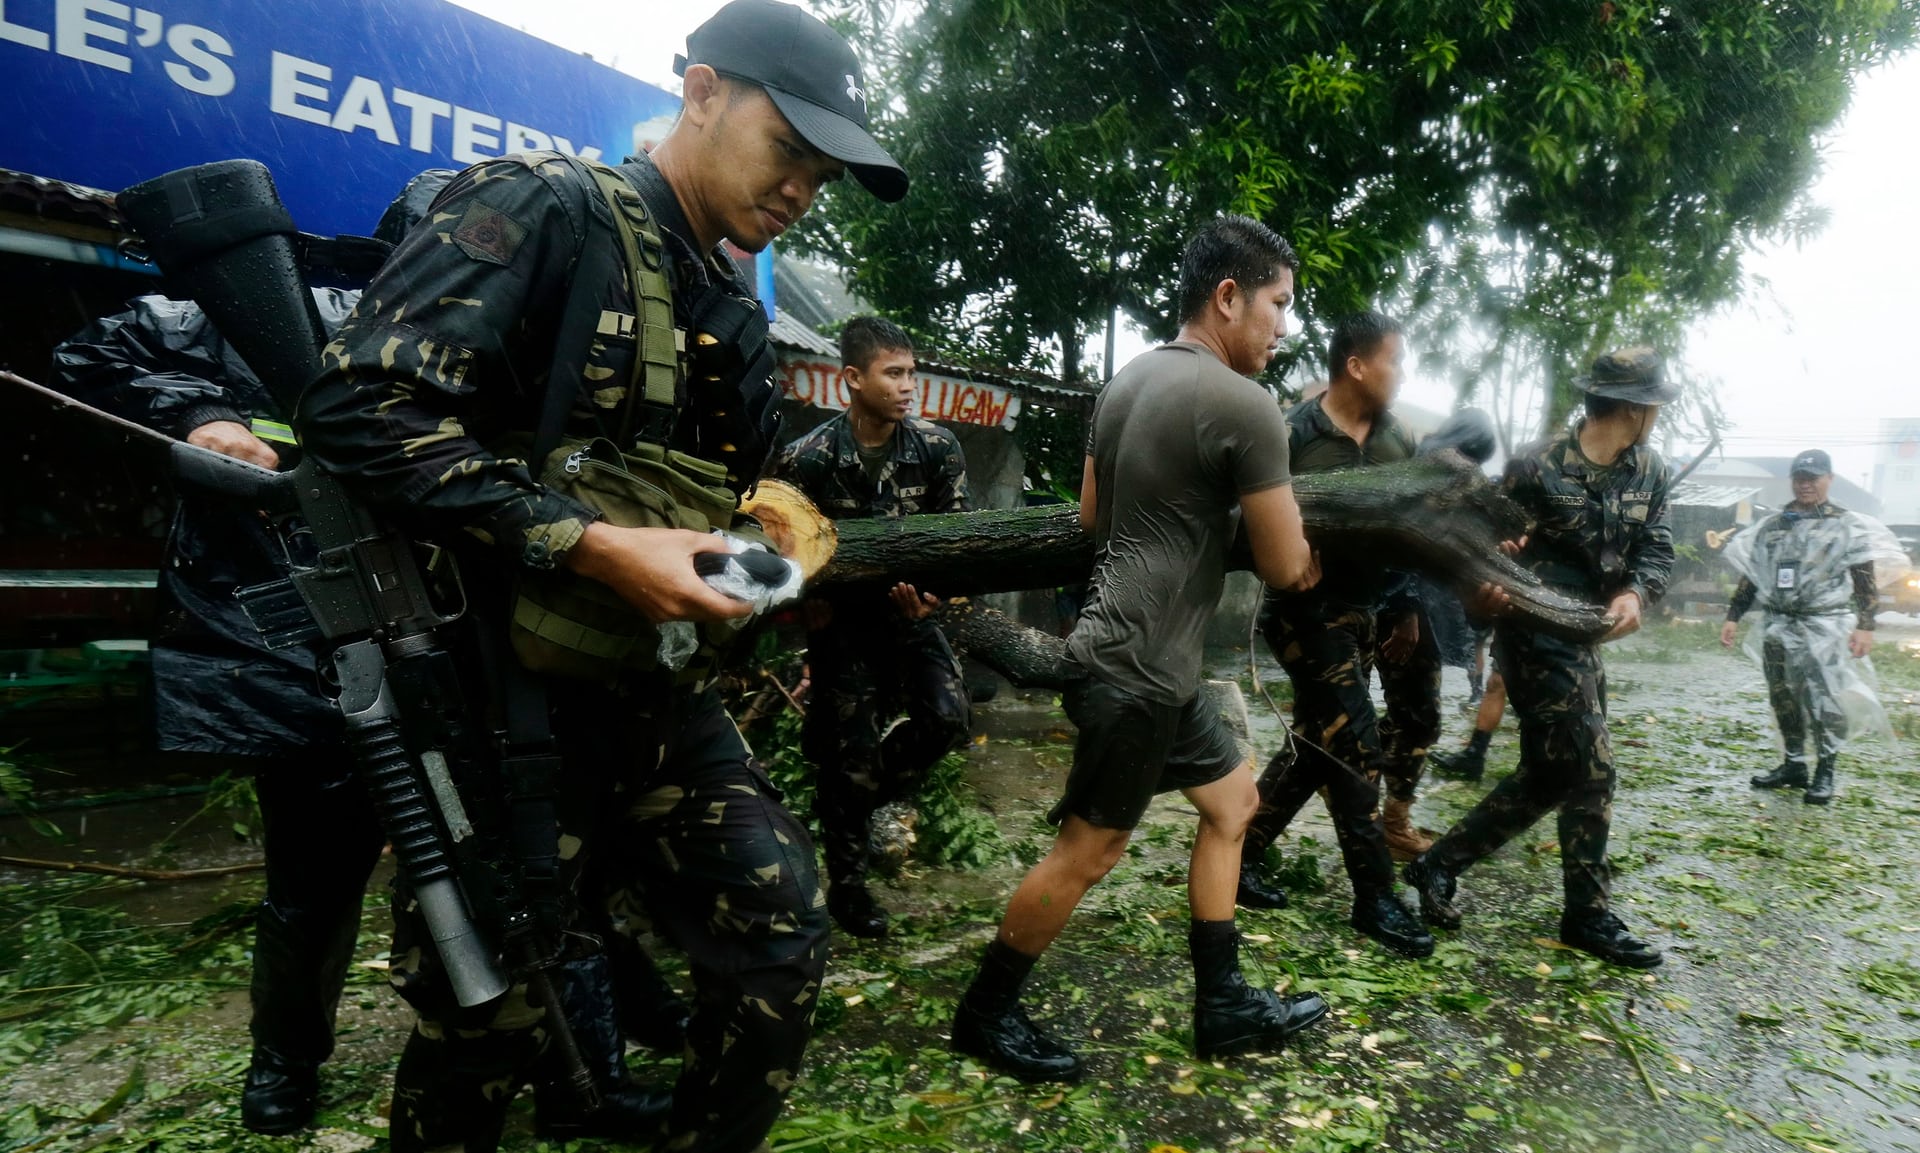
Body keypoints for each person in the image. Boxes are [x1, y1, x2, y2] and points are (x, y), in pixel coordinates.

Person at [295, 2, 908, 1149]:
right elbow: (354, 405)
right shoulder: (542, 205)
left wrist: (767, 558)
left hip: (650, 697)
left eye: (821, 179)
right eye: (792, 154)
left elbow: (718, 515)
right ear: (703, 92)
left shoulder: (730, 303)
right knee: (492, 1019)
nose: (799, 193)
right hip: (494, 703)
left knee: (780, 930)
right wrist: (582, 540)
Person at [49, 173, 448, 1136]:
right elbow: (96, 352)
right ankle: (285, 1062)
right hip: (298, 644)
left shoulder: (487, 337)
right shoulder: (291, 304)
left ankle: (530, 1058)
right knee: (313, 880)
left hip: (446, 640)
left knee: (492, 865)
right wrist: (199, 416)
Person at [948, 215, 1329, 1084]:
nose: (1282, 325)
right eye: (1277, 303)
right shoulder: (1248, 407)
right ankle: (984, 1014)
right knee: (1090, 851)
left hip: (1144, 659)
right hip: (1138, 672)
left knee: (1233, 803)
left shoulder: (1124, 384)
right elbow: (1281, 560)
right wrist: (1301, 547)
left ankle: (1224, 1003)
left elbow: (1091, 519)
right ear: (1228, 297)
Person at [1405, 346, 1677, 969]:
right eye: (1654, 405)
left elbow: (1657, 548)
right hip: (1531, 630)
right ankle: (1587, 914)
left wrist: (1638, 592)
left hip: (1587, 635)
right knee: (1593, 766)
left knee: (1553, 771)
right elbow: (1483, 547)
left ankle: (1438, 863)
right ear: (1635, 409)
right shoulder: (1536, 467)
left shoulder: (1650, 472)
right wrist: (1485, 589)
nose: (1656, 416)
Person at [1233, 311, 1434, 958]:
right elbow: (1238, 515)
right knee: (1358, 743)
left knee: (1319, 745)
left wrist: (1405, 607)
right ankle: (1374, 894)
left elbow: (1410, 529)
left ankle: (1239, 854)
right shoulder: (1291, 431)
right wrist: (1282, 550)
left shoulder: (1400, 439)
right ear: (1356, 365)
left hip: (1367, 614)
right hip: (1303, 613)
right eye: (1393, 361)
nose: (1399, 374)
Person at [766, 316, 972, 939]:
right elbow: (779, 554)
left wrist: (932, 599)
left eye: (913, 372)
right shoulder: (808, 460)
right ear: (852, 379)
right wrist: (807, 609)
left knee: (949, 719)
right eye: (894, 373)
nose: (910, 386)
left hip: (910, 617)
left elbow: (958, 540)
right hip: (845, 627)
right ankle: (848, 889)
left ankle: (854, 801)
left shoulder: (938, 448)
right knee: (846, 756)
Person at [1722, 449, 1903, 804]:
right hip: (1778, 624)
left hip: (1825, 626)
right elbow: (1752, 577)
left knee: (1824, 698)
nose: (1806, 485)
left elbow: (1864, 579)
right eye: (1800, 478)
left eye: (1814, 478)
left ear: (1829, 479)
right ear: (1793, 480)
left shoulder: (1847, 525)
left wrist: (1866, 624)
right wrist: (1733, 615)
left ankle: (1825, 770)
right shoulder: (1775, 525)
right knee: (1783, 696)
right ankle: (1794, 764)